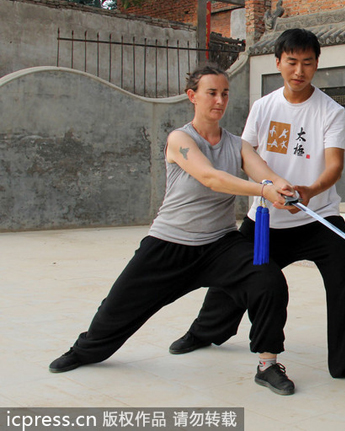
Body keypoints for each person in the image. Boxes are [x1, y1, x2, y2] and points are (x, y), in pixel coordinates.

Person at [48, 65, 298, 396]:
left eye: (225, 93)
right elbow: (211, 178)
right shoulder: (179, 139)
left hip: (219, 245)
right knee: (118, 307)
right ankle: (85, 350)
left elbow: (263, 172)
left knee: (267, 278)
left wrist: (282, 188)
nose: (220, 100)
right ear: (192, 96)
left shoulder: (237, 145)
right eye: (212, 93)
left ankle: (268, 365)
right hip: (169, 244)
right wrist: (264, 191)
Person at [169, 28, 345, 385]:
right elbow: (246, 156)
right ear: (278, 62)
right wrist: (264, 190)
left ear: (316, 65)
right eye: (291, 62)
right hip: (266, 217)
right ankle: (204, 332)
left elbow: (334, 166)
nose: (299, 71)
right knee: (236, 278)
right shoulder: (264, 107)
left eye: (307, 63)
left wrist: (310, 190)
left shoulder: (331, 111)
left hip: (318, 215)